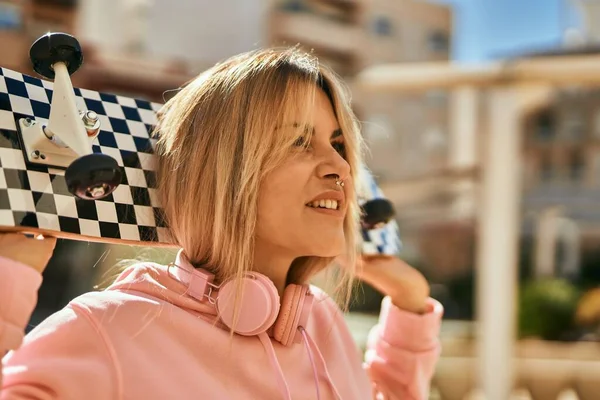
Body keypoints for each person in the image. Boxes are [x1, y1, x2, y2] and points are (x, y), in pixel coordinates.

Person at [0, 48, 443, 399]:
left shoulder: (322, 325)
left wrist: (410, 304)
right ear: (218, 171)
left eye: (338, 144)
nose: (340, 168)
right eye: (297, 141)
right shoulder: (110, 330)